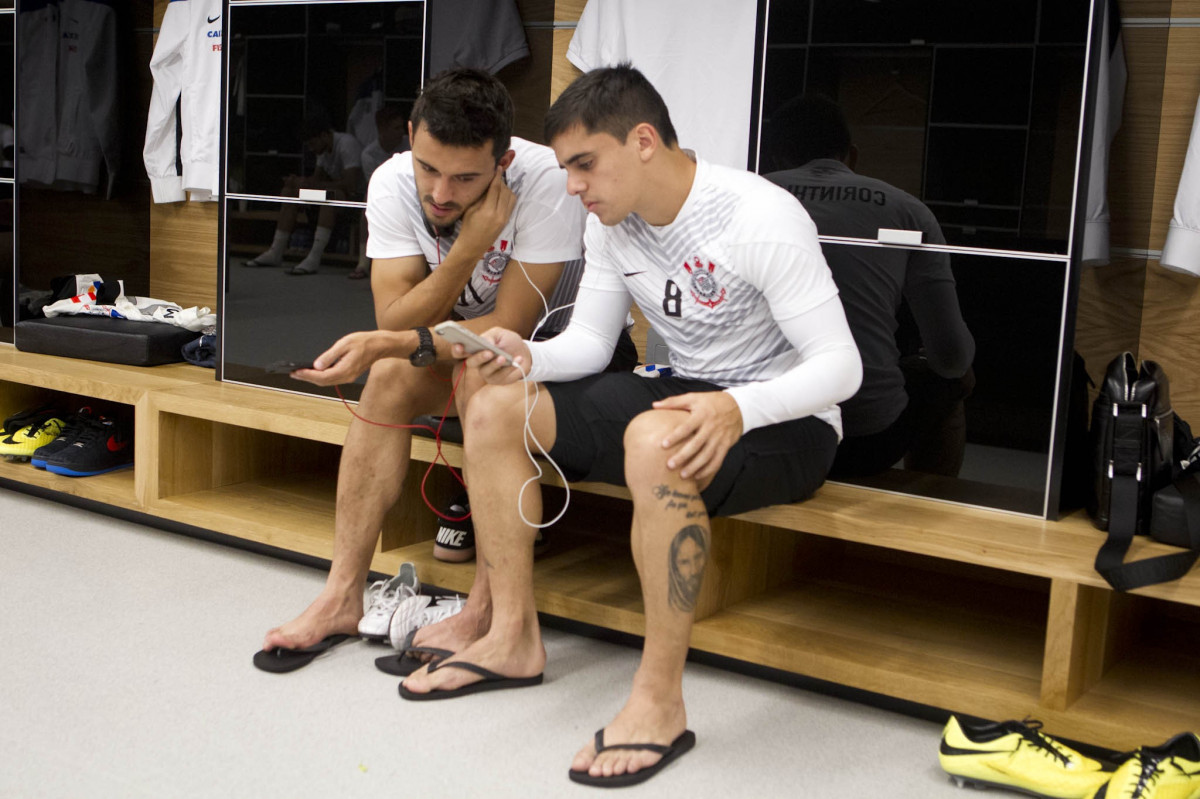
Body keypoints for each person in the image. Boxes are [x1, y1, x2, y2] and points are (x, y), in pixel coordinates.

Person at [399, 65, 863, 788]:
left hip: (788, 416)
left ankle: (659, 700)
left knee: (657, 434)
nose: (574, 186)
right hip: (687, 394)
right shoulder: (612, 224)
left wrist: (736, 407)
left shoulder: (758, 217)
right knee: (492, 396)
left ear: (643, 141)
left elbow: (841, 368)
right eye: (566, 170)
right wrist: (528, 355)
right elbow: (587, 344)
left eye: (586, 165)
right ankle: (511, 635)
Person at [260, 68, 592, 661]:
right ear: (410, 136)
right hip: (456, 350)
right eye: (428, 168)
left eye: (465, 177)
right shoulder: (391, 180)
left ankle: (486, 607)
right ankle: (341, 594)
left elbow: (508, 331)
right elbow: (394, 320)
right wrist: (470, 246)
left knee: (478, 372)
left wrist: (467, 247)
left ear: (503, 162)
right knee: (388, 375)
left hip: (554, 359)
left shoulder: (544, 182)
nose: (440, 192)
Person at [763, 95, 975, 478]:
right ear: (852, 156)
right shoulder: (908, 210)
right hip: (863, 440)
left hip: (750, 429)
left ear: (776, 157)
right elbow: (951, 357)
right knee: (955, 380)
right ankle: (921, 518)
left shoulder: (742, 197)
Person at [245, 109, 364, 275]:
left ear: (324, 135)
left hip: (354, 200)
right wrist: (300, 182)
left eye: (312, 144)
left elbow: (350, 185)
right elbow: (317, 181)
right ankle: (276, 250)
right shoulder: (322, 151)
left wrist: (311, 184)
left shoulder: (346, 144)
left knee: (329, 196)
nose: (311, 149)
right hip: (330, 196)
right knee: (290, 192)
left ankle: (314, 257)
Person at [349, 104, 411, 280]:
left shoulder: (411, 144)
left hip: (411, 193)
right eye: (396, 128)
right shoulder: (369, 154)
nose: (401, 132)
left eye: (402, 127)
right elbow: (374, 186)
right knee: (366, 209)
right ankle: (363, 263)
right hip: (384, 195)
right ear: (382, 129)